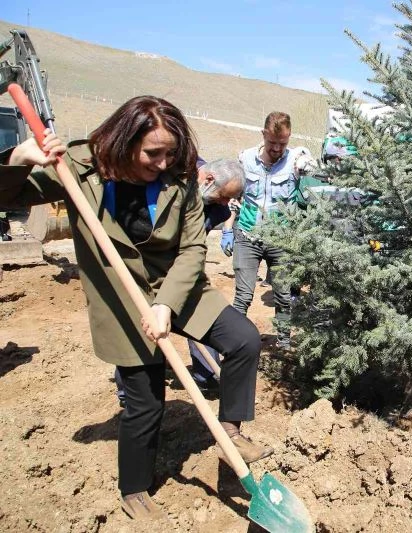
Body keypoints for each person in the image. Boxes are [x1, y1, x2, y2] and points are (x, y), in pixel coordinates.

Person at [0, 96, 268, 520]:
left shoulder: (180, 176)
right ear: (125, 140)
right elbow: (7, 195)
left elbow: (194, 246)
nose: (163, 163)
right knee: (146, 399)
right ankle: (135, 489)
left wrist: (165, 304)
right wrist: (21, 156)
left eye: (171, 153)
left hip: (176, 284)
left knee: (244, 339)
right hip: (121, 296)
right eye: (152, 153)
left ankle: (230, 431)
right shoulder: (78, 166)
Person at [114, 157, 246, 405]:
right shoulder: (171, 176)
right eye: (224, 196)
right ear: (208, 180)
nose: (226, 203)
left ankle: (206, 377)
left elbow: (195, 244)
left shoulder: (213, 203)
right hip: (146, 270)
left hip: (183, 271)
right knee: (138, 324)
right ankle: (127, 390)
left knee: (201, 315)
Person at [227, 111, 314, 349]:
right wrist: (228, 225)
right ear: (263, 134)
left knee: (284, 296)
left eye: (283, 143)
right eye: (272, 142)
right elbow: (233, 193)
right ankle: (234, 343)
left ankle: (283, 342)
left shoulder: (296, 161)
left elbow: (313, 176)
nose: (277, 148)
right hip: (247, 236)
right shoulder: (245, 159)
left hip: (281, 240)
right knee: (243, 296)